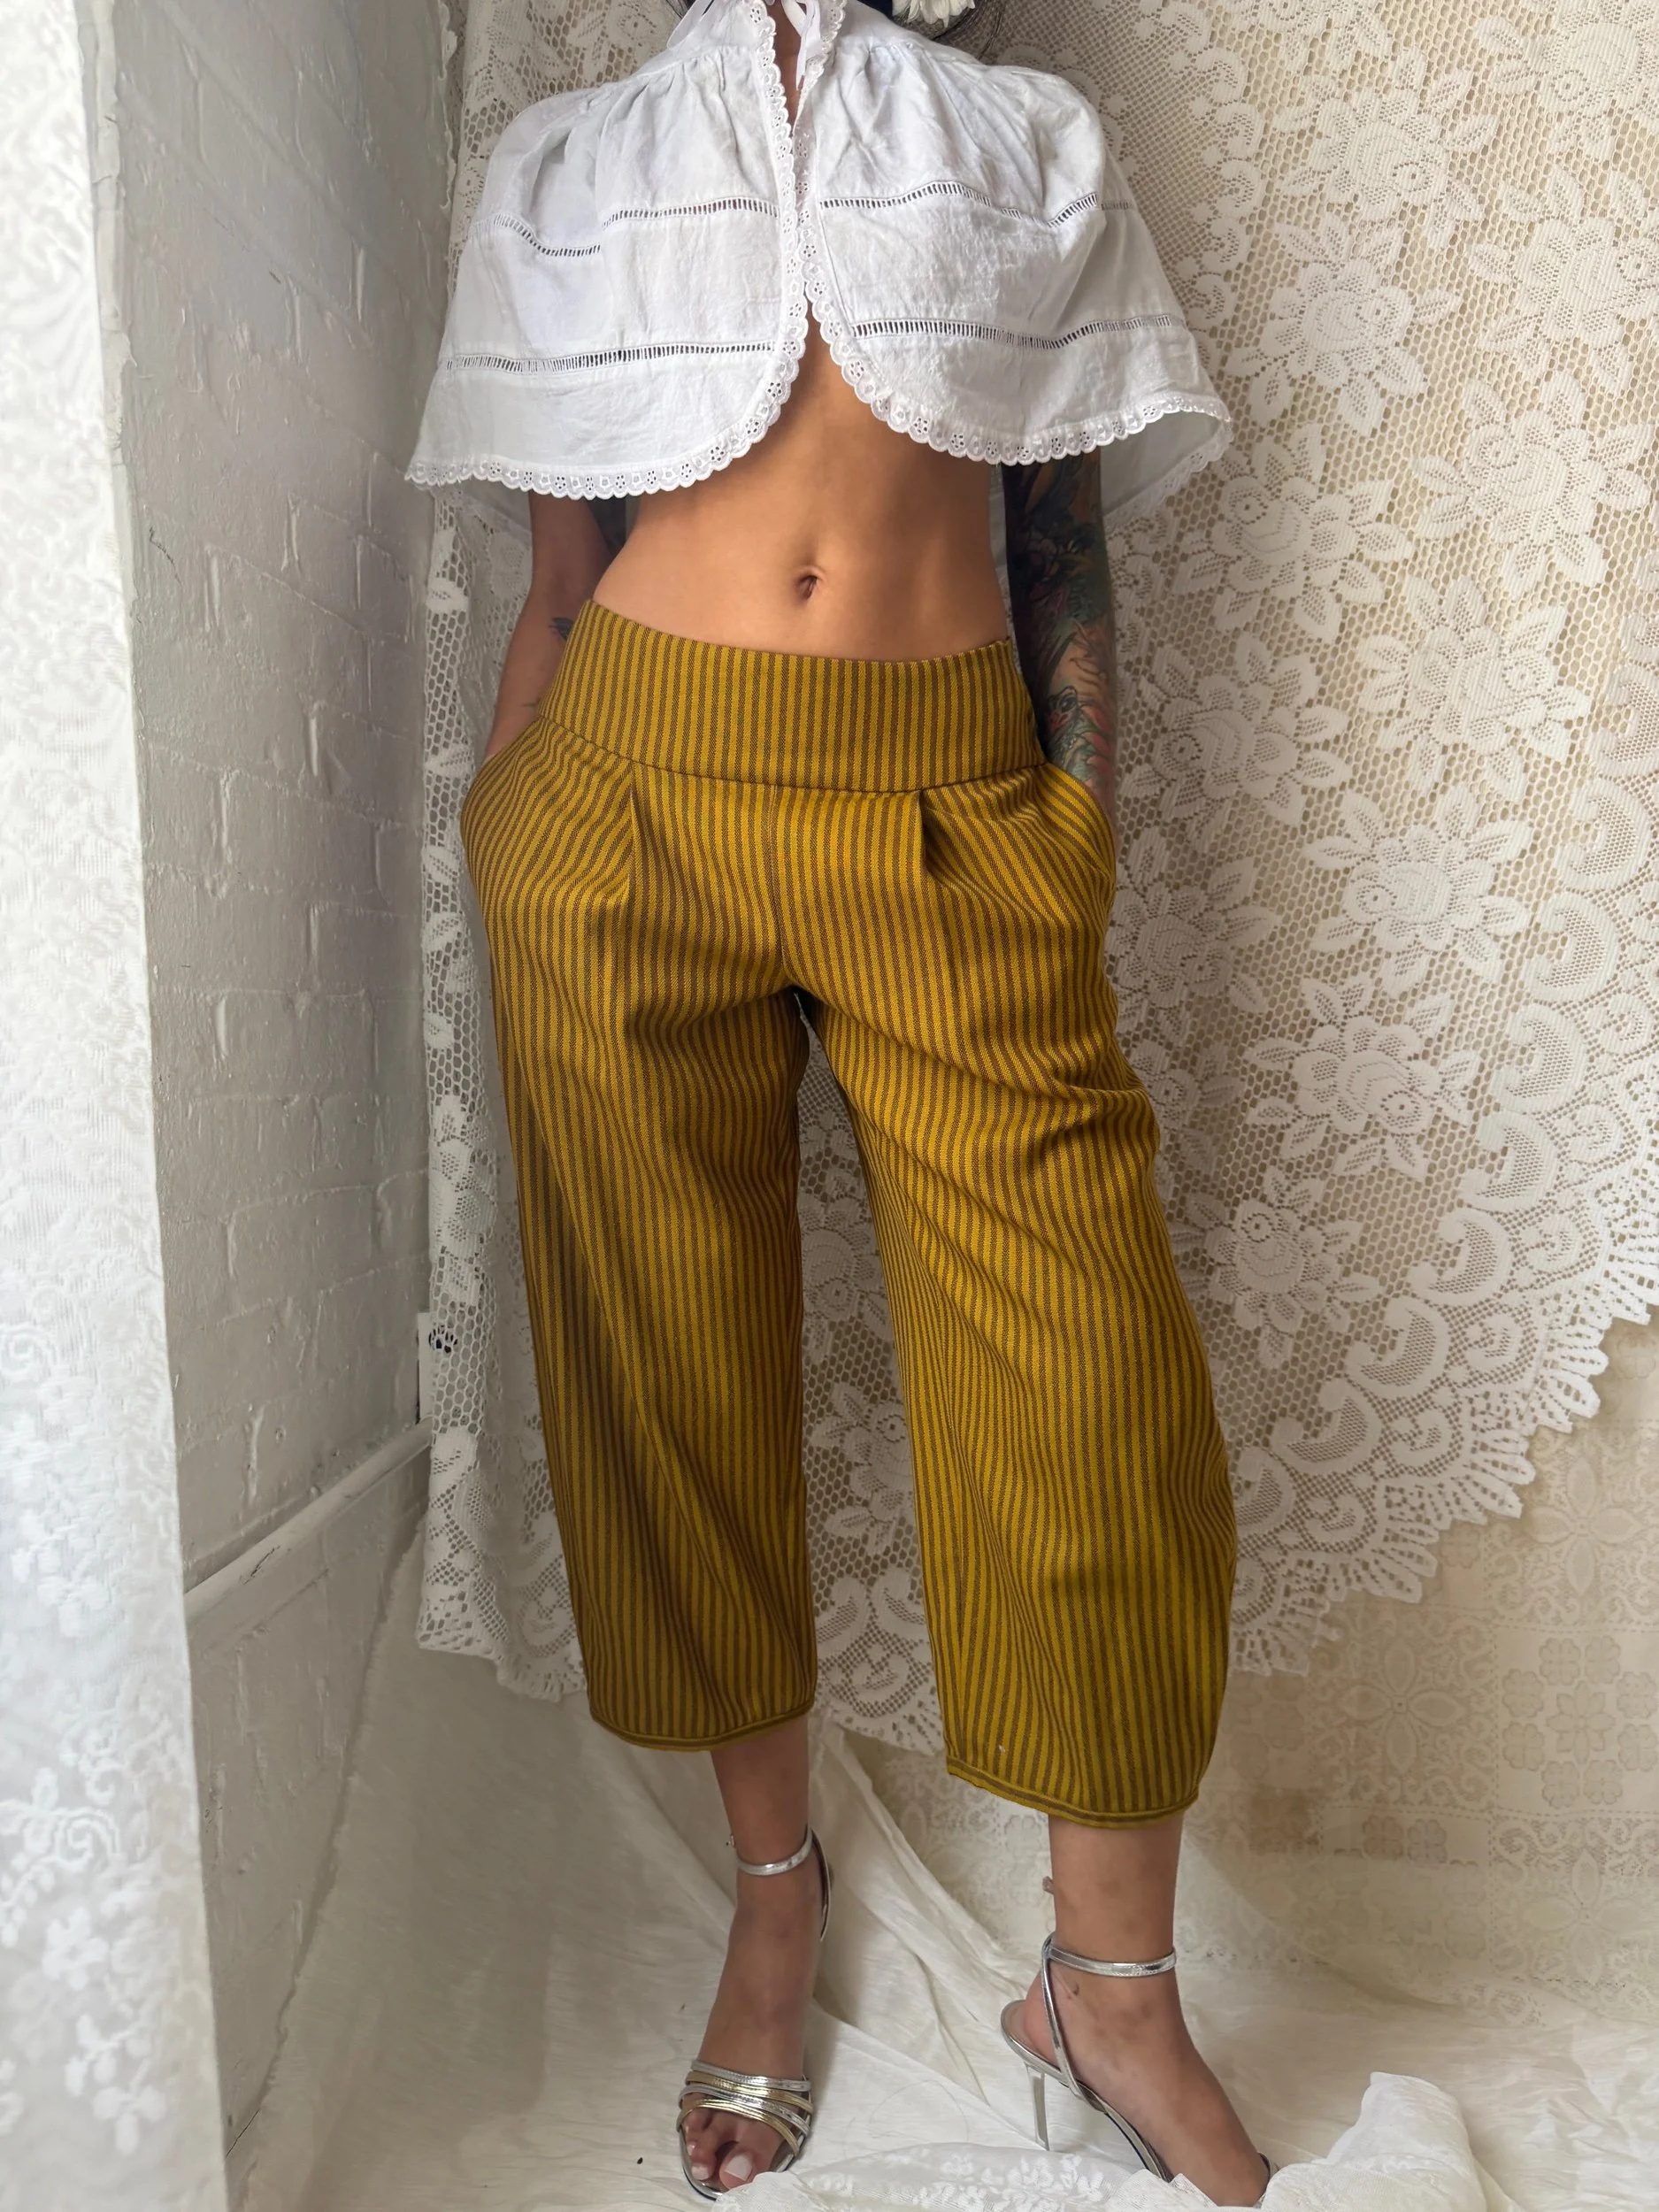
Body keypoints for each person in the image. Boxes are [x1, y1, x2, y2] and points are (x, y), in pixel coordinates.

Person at [409, 0, 1271, 2199]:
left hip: (947, 806)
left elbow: (1061, 534)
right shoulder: (572, 165)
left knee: (1085, 1378)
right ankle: (773, 1899)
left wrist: (1066, 826)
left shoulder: (1027, 143)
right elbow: (560, 579)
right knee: (666, 1375)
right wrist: (520, 830)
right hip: (627, 805)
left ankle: (1111, 1985)